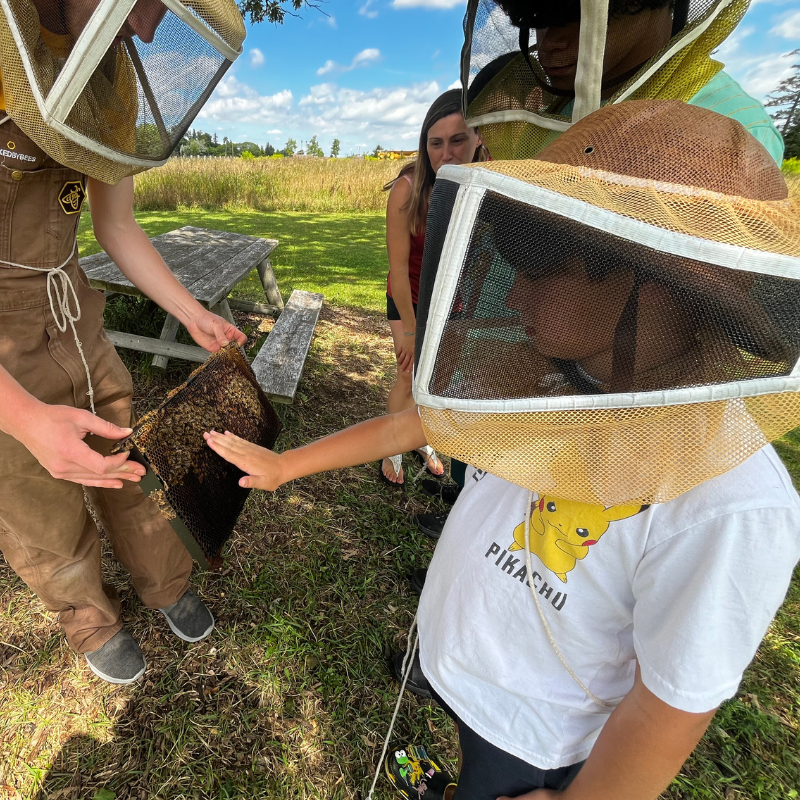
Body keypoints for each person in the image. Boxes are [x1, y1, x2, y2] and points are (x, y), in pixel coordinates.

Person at [204, 100, 800, 800]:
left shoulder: (735, 501)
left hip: (534, 742)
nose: (513, 292)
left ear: (651, 283)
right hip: (470, 676)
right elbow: (416, 426)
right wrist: (286, 466)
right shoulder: (546, 373)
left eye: (543, 266)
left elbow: (675, 698)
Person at [411, 0, 786, 540]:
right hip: (549, 361)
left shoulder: (726, 134)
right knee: (498, 489)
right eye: (535, 22)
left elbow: (680, 307)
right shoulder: (544, 104)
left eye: (571, 21)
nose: (548, 42)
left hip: (620, 406)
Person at [0, 0, 246, 684]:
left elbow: (118, 225)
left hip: (74, 310)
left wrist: (191, 313)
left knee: (129, 461)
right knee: (30, 493)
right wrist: (23, 418)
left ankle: (165, 585)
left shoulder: (111, 80)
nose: (147, 30)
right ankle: (89, 619)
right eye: (147, 4)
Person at [380, 89, 485, 487]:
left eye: (458, 140)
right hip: (408, 296)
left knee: (437, 381)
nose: (447, 154)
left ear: (478, 139)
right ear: (424, 147)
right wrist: (410, 329)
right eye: (435, 143)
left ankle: (421, 440)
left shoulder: (485, 183)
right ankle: (390, 449)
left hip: (451, 299)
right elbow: (398, 265)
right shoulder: (408, 189)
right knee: (408, 377)